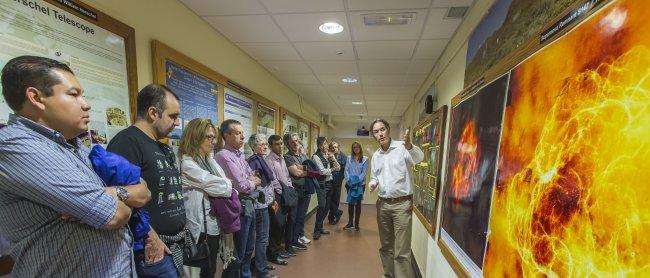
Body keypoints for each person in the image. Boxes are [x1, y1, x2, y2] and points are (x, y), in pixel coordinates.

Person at [0, 55, 150, 277]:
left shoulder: (72, 144)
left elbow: (144, 190)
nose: (86, 104)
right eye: (73, 94)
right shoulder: (16, 146)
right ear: (36, 98)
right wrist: (122, 197)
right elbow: (116, 215)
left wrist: (111, 193)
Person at [107, 84, 186, 277]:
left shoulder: (161, 147)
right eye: (173, 116)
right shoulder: (127, 142)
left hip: (172, 244)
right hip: (152, 249)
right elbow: (122, 198)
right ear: (153, 112)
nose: (177, 123)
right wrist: (151, 239)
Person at [178, 118, 233, 278]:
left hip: (214, 227)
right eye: (209, 137)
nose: (213, 141)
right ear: (195, 137)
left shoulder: (210, 160)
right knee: (196, 273)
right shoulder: (187, 164)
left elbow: (224, 186)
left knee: (210, 271)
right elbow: (223, 186)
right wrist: (227, 185)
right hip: (198, 231)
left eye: (214, 137)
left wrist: (226, 186)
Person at [369, 119, 423, 278]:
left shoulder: (402, 147)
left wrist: (410, 146)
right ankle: (388, 275)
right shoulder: (376, 156)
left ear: (388, 130)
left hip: (402, 205)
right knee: (386, 247)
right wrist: (373, 183)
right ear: (374, 136)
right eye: (376, 132)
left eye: (382, 129)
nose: (380, 134)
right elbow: (375, 177)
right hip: (383, 205)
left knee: (401, 250)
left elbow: (419, 157)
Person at [215, 119, 262, 278]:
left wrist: (250, 180)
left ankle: (246, 275)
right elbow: (242, 185)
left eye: (242, 133)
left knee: (249, 248)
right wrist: (251, 181)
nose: (242, 137)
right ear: (226, 135)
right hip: (238, 208)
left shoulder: (239, 155)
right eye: (237, 133)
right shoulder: (223, 156)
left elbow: (255, 177)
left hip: (249, 204)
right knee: (238, 252)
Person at [246, 134, 279, 278]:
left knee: (262, 238)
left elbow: (268, 184)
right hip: (259, 206)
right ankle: (261, 271)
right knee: (261, 238)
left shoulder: (260, 159)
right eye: (261, 144)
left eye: (266, 144)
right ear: (253, 146)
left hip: (264, 203)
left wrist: (272, 200)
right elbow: (257, 186)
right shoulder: (254, 161)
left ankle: (261, 263)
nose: (265, 146)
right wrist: (268, 201)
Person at [264, 135, 296, 262]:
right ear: (271, 146)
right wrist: (282, 191)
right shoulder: (269, 160)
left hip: (285, 193)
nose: (280, 146)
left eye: (281, 143)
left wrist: (290, 187)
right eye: (277, 144)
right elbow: (272, 180)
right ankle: (273, 254)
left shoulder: (282, 158)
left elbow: (287, 176)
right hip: (276, 196)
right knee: (277, 224)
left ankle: (276, 251)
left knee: (282, 224)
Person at [283, 133, 312, 249]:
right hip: (295, 191)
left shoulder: (303, 156)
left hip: (305, 190)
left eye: (296, 141)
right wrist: (306, 170)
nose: (295, 143)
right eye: (292, 142)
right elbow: (297, 173)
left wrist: (302, 167)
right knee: (293, 218)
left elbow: (311, 168)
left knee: (301, 217)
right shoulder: (287, 157)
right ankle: (291, 241)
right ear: (287, 144)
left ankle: (297, 238)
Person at [311, 137, 340, 240]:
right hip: (321, 184)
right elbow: (322, 171)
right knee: (322, 206)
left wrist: (333, 158)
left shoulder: (328, 155)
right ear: (319, 146)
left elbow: (339, 167)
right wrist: (332, 168)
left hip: (329, 183)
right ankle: (316, 231)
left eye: (326, 144)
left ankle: (320, 227)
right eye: (322, 144)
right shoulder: (316, 156)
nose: (325, 146)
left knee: (327, 207)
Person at [344, 141, 368, 231]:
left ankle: (356, 224)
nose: (356, 149)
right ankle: (350, 223)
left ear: (360, 148)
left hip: (360, 185)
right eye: (354, 147)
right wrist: (349, 180)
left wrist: (356, 181)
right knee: (350, 203)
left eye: (357, 147)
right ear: (352, 149)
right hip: (350, 184)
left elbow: (364, 172)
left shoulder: (365, 159)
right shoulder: (349, 158)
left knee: (358, 204)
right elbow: (346, 170)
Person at [328, 141, 346, 225]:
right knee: (329, 199)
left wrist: (341, 178)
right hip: (329, 181)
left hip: (338, 181)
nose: (334, 148)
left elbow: (344, 169)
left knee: (335, 199)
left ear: (338, 147)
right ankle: (337, 212)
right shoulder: (328, 156)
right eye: (332, 147)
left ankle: (332, 217)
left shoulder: (343, 157)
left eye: (335, 147)